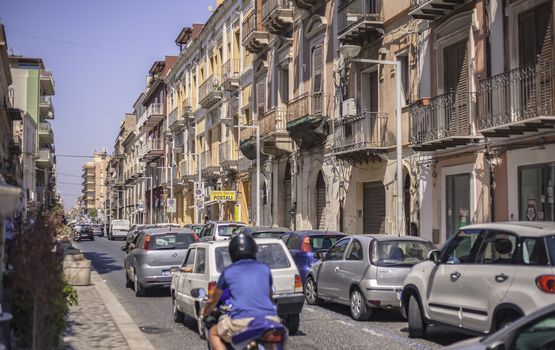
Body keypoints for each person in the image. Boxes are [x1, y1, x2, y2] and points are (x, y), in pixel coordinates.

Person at [201, 233, 279, 350]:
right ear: (254, 250)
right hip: (270, 319)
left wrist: (205, 312)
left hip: (241, 321)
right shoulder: (264, 269)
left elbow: (213, 300)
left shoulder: (228, 272)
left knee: (213, 333)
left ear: (232, 253)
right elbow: (270, 298)